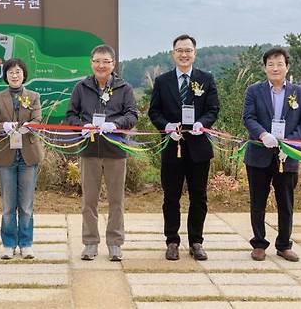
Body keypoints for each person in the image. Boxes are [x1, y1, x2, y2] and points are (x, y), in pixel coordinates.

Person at [148, 34, 219, 261]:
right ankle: (172, 241)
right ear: (173, 53)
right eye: (180, 50)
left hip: (199, 148)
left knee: (199, 196)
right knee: (171, 197)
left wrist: (203, 123)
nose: (184, 54)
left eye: (188, 50)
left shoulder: (206, 79)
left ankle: (196, 242)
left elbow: (213, 109)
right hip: (172, 147)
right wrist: (166, 126)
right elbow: (154, 111)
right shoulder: (163, 81)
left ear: (194, 53)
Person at [66, 44, 138, 261]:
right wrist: (82, 126)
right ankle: (89, 242)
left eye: (105, 61)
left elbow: (133, 115)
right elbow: (70, 115)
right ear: (91, 63)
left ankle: (115, 243)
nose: (101, 65)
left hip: (115, 151)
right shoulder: (81, 87)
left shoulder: (124, 88)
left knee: (116, 200)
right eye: (97, 61)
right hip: (89, 150)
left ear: (113, 64)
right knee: (89, 200)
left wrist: (115, 125)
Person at [242, 47, 301, 262]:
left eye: (279, 64)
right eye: (270, 64)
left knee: (286, 202)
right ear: (264, 68)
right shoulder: (254, 91)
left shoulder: (299, 93)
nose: (275, 68)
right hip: (259, 154)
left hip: (287, 156)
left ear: (287, 67)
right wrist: (263, 135)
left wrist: (288, 143)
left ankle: (284, 244)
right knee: (258, 201)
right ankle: (259, 244)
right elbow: (248, 118)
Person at [0, 58, 45, 260]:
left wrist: (30, 126)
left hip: (28, 155)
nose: (14, 75)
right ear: (6, 75)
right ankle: (8, 243)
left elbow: (38, 120)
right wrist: (3, 126)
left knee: (26, 205)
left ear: (24, 74)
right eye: (11, 72)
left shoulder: (34, 96)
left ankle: (27, 243)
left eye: (18, 71)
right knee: (8, 205)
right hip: (6, 156)